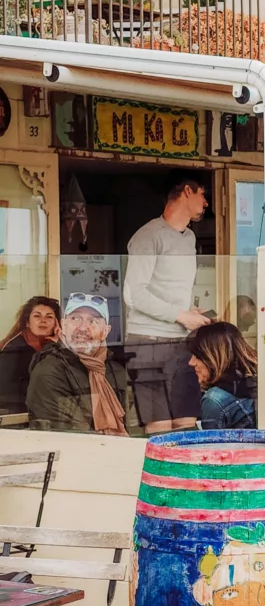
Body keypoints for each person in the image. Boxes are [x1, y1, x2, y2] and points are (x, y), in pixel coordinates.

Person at [124, 173, 210, 435]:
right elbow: (133, 294)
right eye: (203, 195)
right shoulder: (148, 236)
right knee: (160, 429)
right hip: (149, 343)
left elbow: (174, 292)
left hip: (182, 343)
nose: (206, 203)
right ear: (187, 191)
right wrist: (179, 315)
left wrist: (189, 312)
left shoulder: (189, 238)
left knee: (187, 425)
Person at [26, 293, 134, 435]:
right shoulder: (49, 371)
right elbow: (67, 432)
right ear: (63, 325)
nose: (82, 328)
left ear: (105, 331)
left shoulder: (117, 372)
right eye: (75, 319)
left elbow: (131, 423)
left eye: (93, 321)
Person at [189, 321, 258, 430]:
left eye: (197, 356)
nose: (191, 362)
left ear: (213, 358)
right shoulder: (259, 383)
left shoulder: (214, 400)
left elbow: (211, 445)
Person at [0, 297, 61, 415]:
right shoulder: (14, 350)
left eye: (49, 317)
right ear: (27, 322)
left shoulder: (53, 345)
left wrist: (59, 345)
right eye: (37, 316)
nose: (43, 321)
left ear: (56, 323)